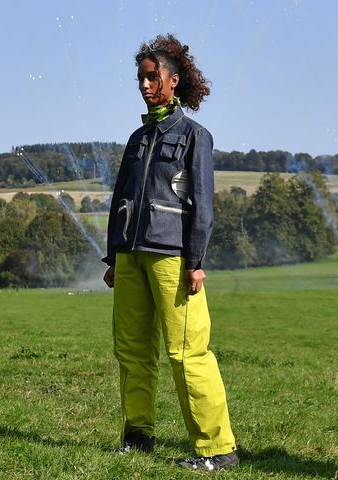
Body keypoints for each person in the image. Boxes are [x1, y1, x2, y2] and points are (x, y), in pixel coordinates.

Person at [102, 34, 238, 472]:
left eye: (151, 77)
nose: (144, 85)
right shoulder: (137, 138)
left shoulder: (197, 137)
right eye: (139, 78)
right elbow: (120, 198)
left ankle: (218, 450)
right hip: (129, 257)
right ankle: (137, 437)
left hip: (173, 259)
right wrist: (112, 256)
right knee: (132, 351)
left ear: (173, 81)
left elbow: (203, 205)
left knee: (187, 354)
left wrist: (196, 262)